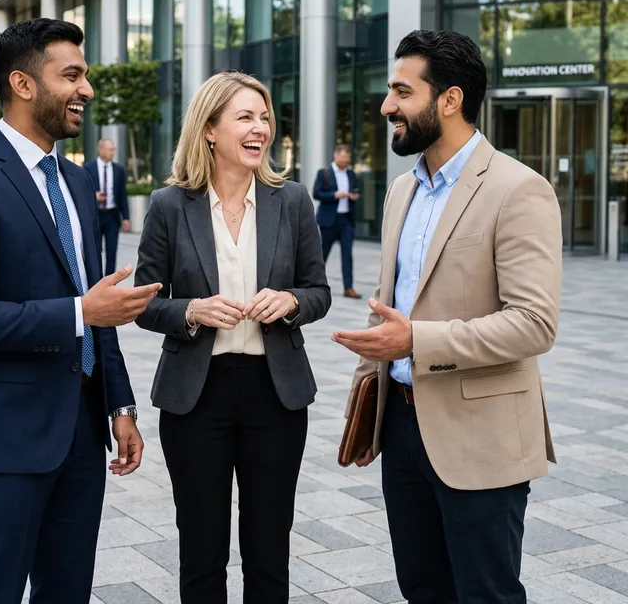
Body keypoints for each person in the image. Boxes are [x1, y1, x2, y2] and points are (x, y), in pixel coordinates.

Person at [0, 18, 161, 604]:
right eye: (72, 76)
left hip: (81, 435)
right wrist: (82, 310)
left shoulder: (77, 184)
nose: (87, 90)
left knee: (68, 592)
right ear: (23, 84)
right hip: (3, 439)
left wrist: (119, 404)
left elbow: (93, 304)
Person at [334, 30, 562, 604]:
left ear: (450, 99)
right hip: (403, 428)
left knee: (485, 594)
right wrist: (371, 392)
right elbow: (396, 308)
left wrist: (415, 338)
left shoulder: (518, 189)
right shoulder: (401, 192)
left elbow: (535, 322)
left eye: (401, 91)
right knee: (423, 589)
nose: (387, 106)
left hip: (480, 440)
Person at [133, 70, 331, 603]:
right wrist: (192, 310)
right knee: (201, 551)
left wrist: (290, 301)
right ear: (209, 130)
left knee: (269, 550)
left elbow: (319, 291)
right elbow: (144, 304)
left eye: (264, 117)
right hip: (196, 397)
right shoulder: (170, 206)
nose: (260, 128)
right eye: (245, 116)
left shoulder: (291, 201)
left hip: (276, 393)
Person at [313, 144, 361, 299]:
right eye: (343, 157)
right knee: (322, 254)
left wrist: (354, 196)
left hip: (346, 220)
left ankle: (348, 288)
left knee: (347, 255)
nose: (346, 160)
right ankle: (313, 285)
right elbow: (316, 193)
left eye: (348, 158)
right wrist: (335, 195)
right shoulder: (324, 173)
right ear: (336, 155)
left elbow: (356, 189)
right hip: (328, 221)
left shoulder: (351, 174)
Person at [83, 139, 129, 275]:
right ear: (100, 150)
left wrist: (126, 217)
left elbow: (122, 195)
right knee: (94, 251)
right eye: (110, 150)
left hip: (112, 216)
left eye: (113, 150)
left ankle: (110, 283)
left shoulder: (118, 170)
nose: (112, 153)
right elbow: (81, 193)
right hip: (95, 216)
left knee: (112, 251)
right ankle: (96, 281)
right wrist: (93, 196)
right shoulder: (87, 168)